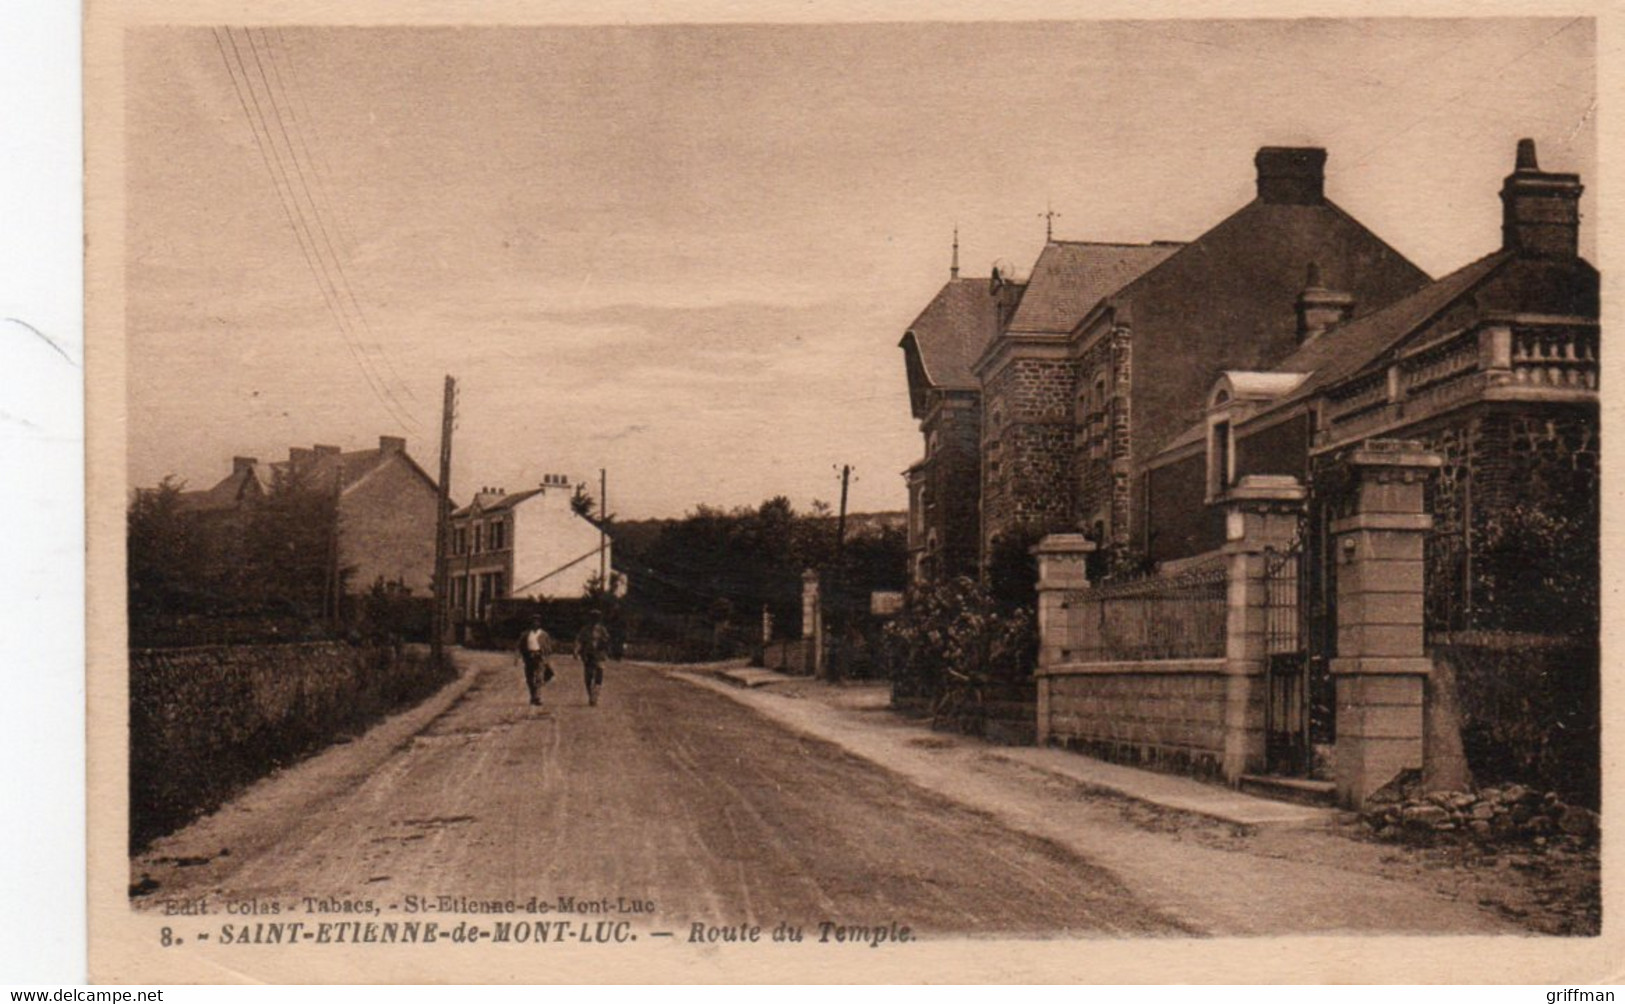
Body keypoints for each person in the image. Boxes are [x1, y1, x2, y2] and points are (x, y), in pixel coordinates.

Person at [575, 609, 611, 707]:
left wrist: (605, 646)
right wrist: (576, 651)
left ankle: (595, 696)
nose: (594, 620)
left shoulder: (602, 630)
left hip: (599, 656)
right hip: (588, 656)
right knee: (588, 677)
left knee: (599, 675)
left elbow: (607, 640)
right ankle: (591, 695)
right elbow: (579, 641)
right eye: (592, 618)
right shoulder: (585, 630)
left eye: (596, 618)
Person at [517, 615, 555, 708]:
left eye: (537, 622)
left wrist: (546, 656)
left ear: (540, 623)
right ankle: (533, 695)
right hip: (528, 657)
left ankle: (537, 696)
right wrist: (518, 657)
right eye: (533, 622)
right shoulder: (525, 634)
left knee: (539, 677)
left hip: (539, 657)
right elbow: (519, 646)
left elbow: (549, 647)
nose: (535, 623)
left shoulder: (544, 635)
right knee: (529, 678)